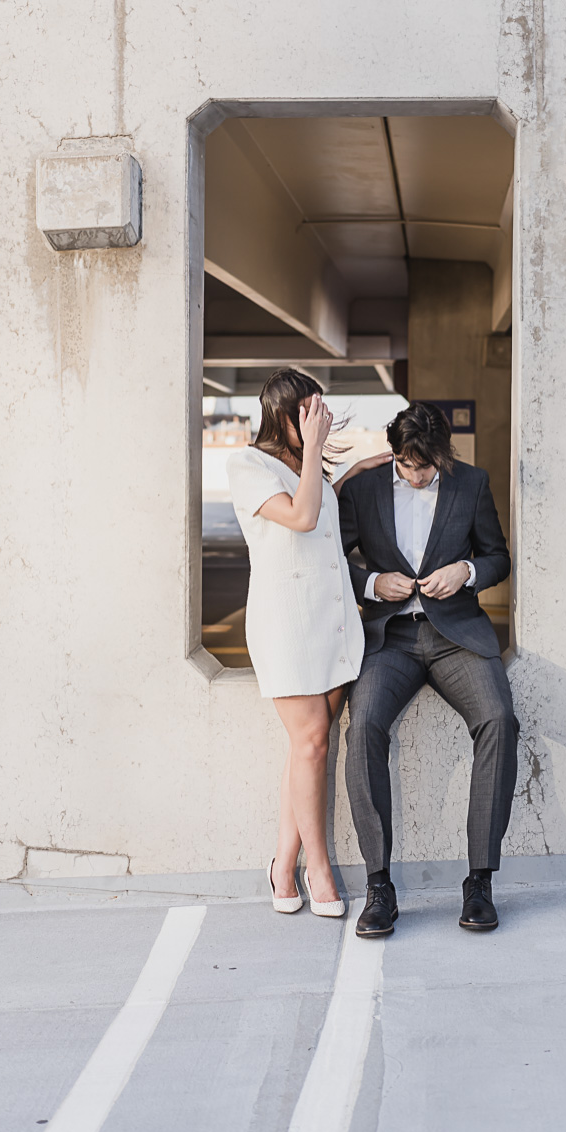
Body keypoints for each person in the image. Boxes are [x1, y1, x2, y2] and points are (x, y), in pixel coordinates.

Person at [338, 401, 519, 937]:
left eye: (429, 467)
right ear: (394, 453)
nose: (419, 476)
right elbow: (330, 560)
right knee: (365, 724)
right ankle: (379, 886)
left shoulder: (471, 483)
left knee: (499, 720)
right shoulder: (363, 489)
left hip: (455, 634)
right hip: (390, 637)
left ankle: (480, 881)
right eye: (410, 466)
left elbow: (497, 557)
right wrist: (373, 584)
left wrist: (465, 571)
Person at [226, 368, 388, 918]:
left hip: (334, 622)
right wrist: (318, 448)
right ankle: (317, 869)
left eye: (321, 410)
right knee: (314, 742)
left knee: (306, 750)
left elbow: (322, 504)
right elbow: (300, 515)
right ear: (284, 414)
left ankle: (280, 863)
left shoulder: (308, 468)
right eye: (310, 412)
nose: (320, 419)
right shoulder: (247, 465)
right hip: (286, 626)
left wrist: (356, 468)